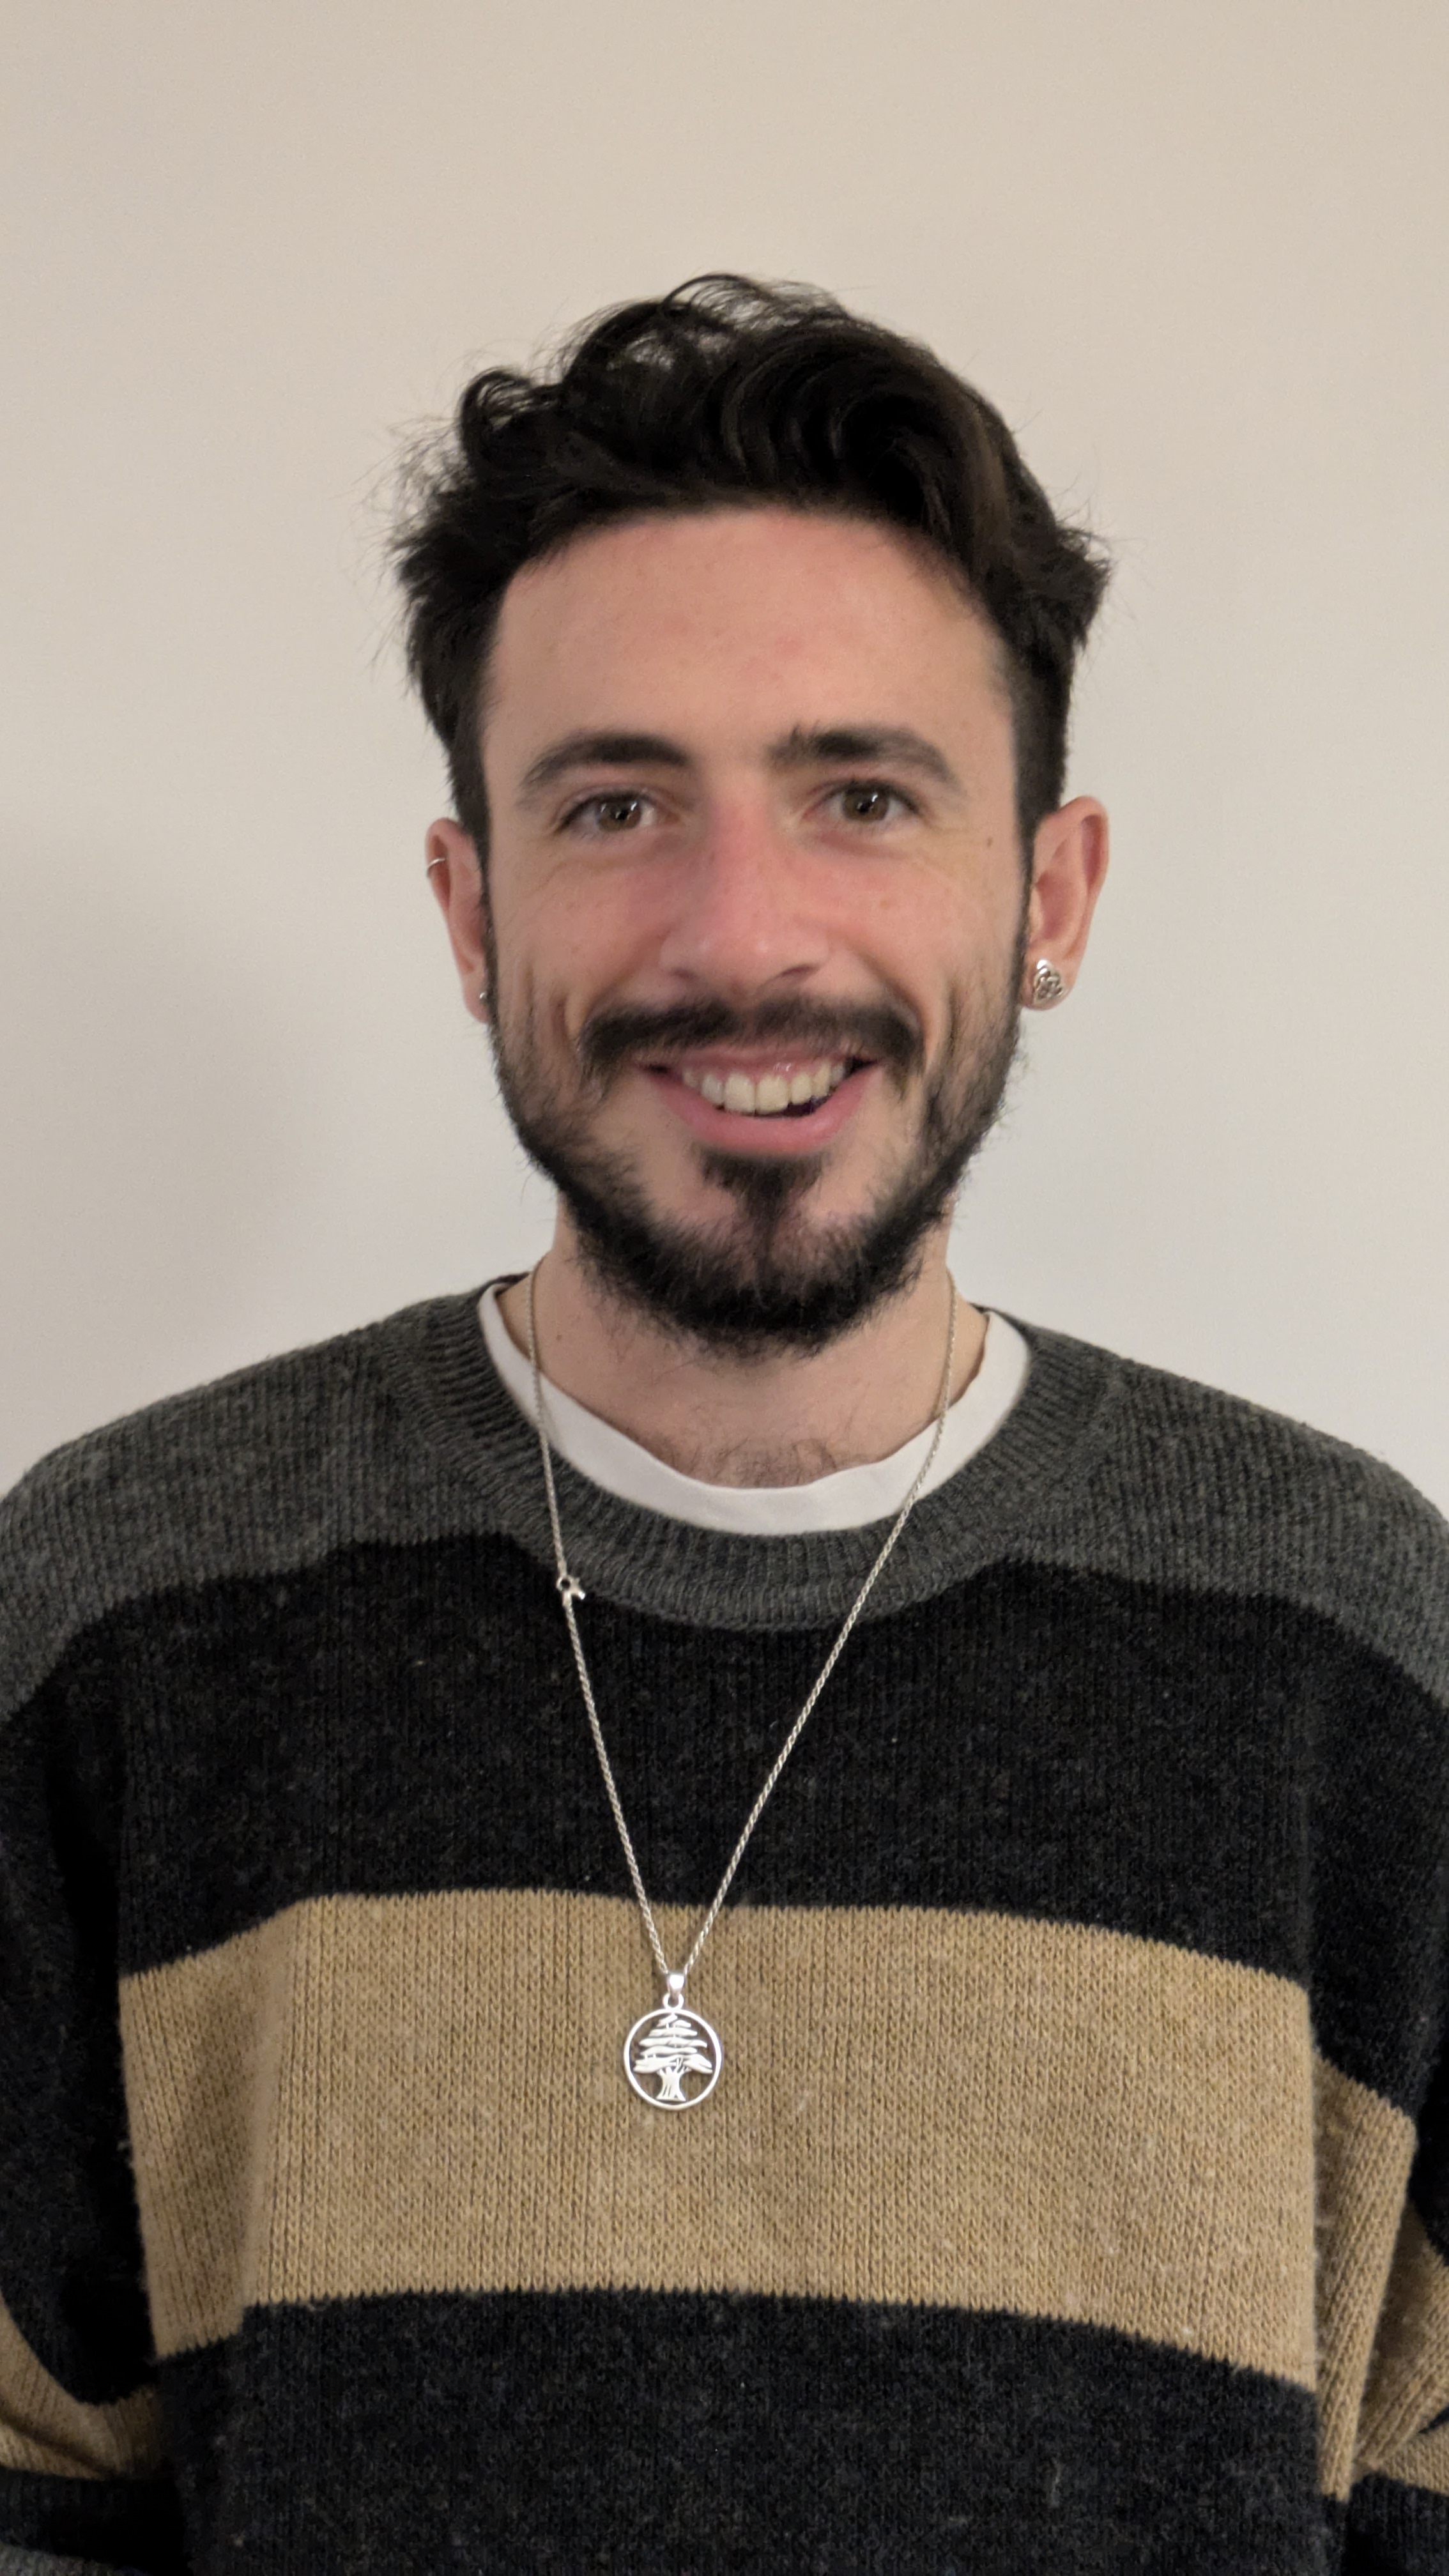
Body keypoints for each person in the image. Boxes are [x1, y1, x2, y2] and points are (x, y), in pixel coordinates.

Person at [1, 275, 1446, 2576]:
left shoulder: (1352, 1650)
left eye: (860, 795)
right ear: (471, 910)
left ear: (1049, 893)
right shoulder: (121, 1613)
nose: (741, 935)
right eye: (615, 805)